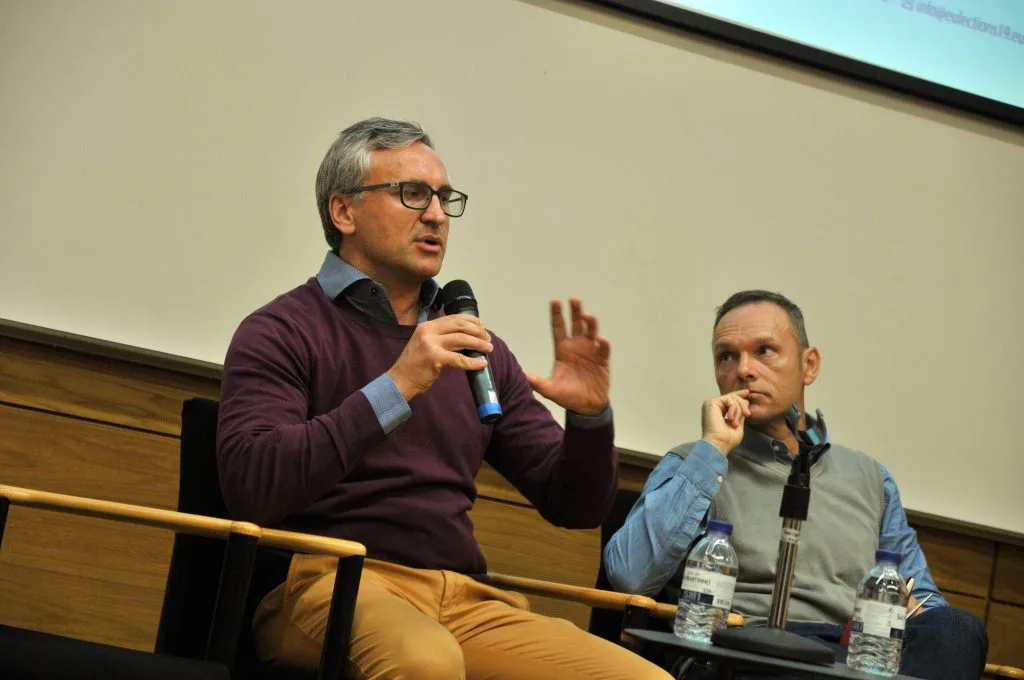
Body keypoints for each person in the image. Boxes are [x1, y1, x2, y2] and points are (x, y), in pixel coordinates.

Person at [216, 117, 670, 680]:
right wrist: (398, 385)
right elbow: (253, 486)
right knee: (426, 663)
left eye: (444, 198)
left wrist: (589, 418)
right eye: (412, 194)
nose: (435, 214)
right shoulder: (282, 330)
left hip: (463, 600)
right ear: (344, 212)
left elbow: (575, 506)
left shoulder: (474, 346)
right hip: (329, 581)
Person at [604, 290, 987, 679]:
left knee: (956, 629)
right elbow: (629, 577)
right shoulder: (695, 462)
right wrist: (714, 448)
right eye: (727, 356)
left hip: (846, 660)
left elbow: (924, 607)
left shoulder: (871, 478)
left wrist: (907, 614)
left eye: (765, 351)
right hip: (738, 654)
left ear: (810, 365)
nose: (744, 370)